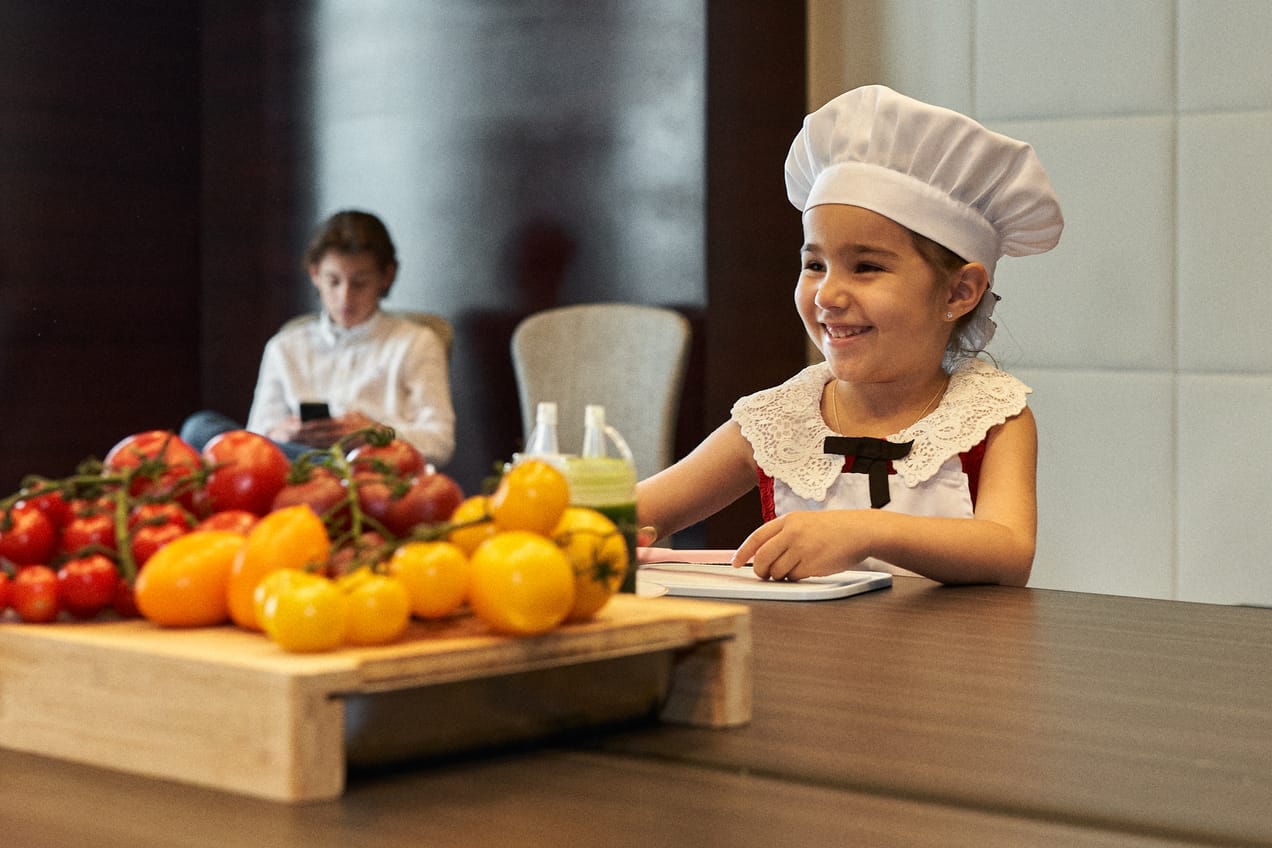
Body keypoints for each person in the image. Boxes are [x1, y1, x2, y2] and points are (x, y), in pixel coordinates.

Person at [636, 85, 1063, 586]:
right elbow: (639, 511)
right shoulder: (775, 419)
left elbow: (1008, 549)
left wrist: (868, 530)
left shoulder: (992, 416)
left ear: (959, 292)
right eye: (814, 264)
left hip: (952, 664)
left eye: (865, 267)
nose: (828, 294)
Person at [182, 210, 455, 465]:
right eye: (333, 281)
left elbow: (440, 443)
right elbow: (255, 439)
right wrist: (282, 434)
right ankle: (324, 469)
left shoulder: (416, 342)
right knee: (199, 427)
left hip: (370, 475)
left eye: (359, 282)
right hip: (294, 469)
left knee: (343, 466)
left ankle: (334, 471)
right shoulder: (285, 346)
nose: (345, 297)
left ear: (386, 276)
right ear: (315, 274)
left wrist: (375, 434)